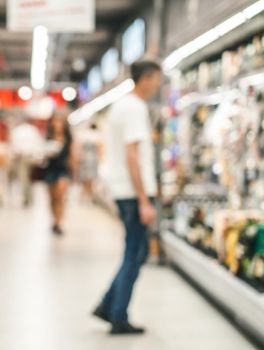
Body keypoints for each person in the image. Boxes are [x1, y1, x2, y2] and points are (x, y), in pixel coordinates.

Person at [93, 59, 162, 335]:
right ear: (145, 78)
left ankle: (107, 306)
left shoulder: (122, 106)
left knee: (137, 250)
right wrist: (144, 199)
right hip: (134, 193)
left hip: (125, 190)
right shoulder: (134, 108)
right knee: (134, 252)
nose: (159, 84)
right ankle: (118, 315)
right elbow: (132, 155)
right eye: (157, 78)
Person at [44, 109, 74, 235]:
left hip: (63, 170)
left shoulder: (68, 138)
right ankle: (54, 219)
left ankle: (59, 222)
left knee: (61, 197)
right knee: (53, 198)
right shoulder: (48, 137)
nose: (57, 124)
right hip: (50, 169)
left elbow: (72, 156)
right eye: (55, 121)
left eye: (60, 122)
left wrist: (73, 171)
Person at [77, 123, 103, 201]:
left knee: (86, 178)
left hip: (85, 159)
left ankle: (86, 194)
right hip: (92, 159)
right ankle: (89, 195)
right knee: (90, 178)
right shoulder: (97, 136)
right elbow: (100, 149)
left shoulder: (84, 136)